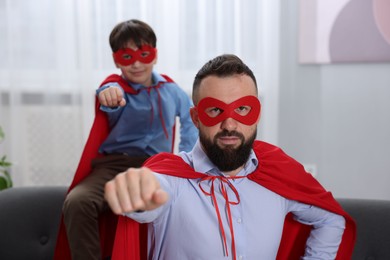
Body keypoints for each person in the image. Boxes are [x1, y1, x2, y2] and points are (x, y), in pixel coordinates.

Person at [105, 54, 356, 260]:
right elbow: (150, 196)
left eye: (242, 109)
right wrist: (138, 194)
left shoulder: (278, 176)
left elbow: (331, 219)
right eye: (214, 110)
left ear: (256, 113)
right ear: (196, 118)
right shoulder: (171, 179)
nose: (229, 124)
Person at [54, 19, 198, 260]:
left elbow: (191, 123)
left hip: (154, 167)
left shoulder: (172, 91)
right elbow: (108, 96)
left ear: (155, 55)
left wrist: (182, 162)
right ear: (116, 60)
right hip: (113, 166)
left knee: (151, 207)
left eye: (144, 53)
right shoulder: (114, 87)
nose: (137, 63)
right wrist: (109, 94)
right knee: (78, 202)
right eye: (127, 56)